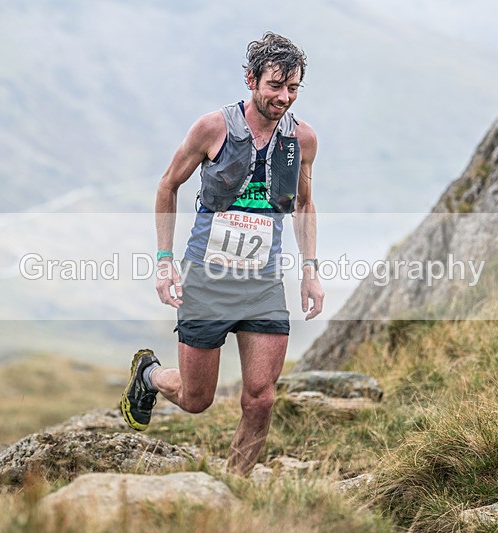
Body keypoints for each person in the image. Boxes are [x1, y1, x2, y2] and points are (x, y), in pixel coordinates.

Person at [120, 32, 323, 476]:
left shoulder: (302, 139)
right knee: (197, 399)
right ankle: (150, 375)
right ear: (251, 80)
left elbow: (304, 204)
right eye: (275, 86)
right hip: (207, 280)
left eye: (293, 88)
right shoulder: (213, 128)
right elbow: (167, 185)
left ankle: (233, 487)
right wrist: (163, 261)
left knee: (261, 397)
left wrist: (310, 270)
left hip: (262, 283)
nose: (283, 98)